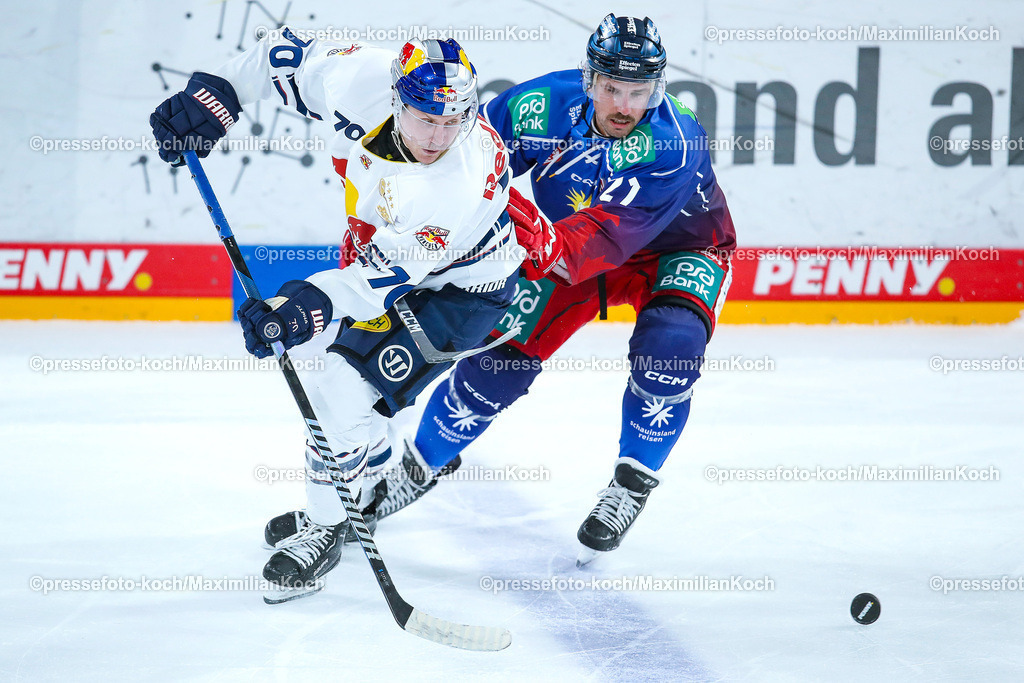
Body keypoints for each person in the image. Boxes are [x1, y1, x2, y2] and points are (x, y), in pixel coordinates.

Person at [149, 32, 525, 601]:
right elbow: (282, 53)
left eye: (454, 121)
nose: (439, 136)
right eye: (426, 118)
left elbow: (373, 285)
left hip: (466, 288)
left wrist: (300, 306)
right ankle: (362, 493)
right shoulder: (355, 78)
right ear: (397, 97)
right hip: (381, 252)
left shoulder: (453, 183)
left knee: (339, 389)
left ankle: (324, 526)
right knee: (348, 382)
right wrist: (216, 95)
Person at [374, 14, 738, 566]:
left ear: (657, 90)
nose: (624, 104)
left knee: (671, 342)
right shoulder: (539, 106)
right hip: (567, 242)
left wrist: (507, 234)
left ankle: (632, 482)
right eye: (612, 87)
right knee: (499, 359)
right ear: (589, 79)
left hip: (676, 248)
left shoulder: (674, 142)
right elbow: (468, 164)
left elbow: (606, 242)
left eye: (638, 91)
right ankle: (417, 468)